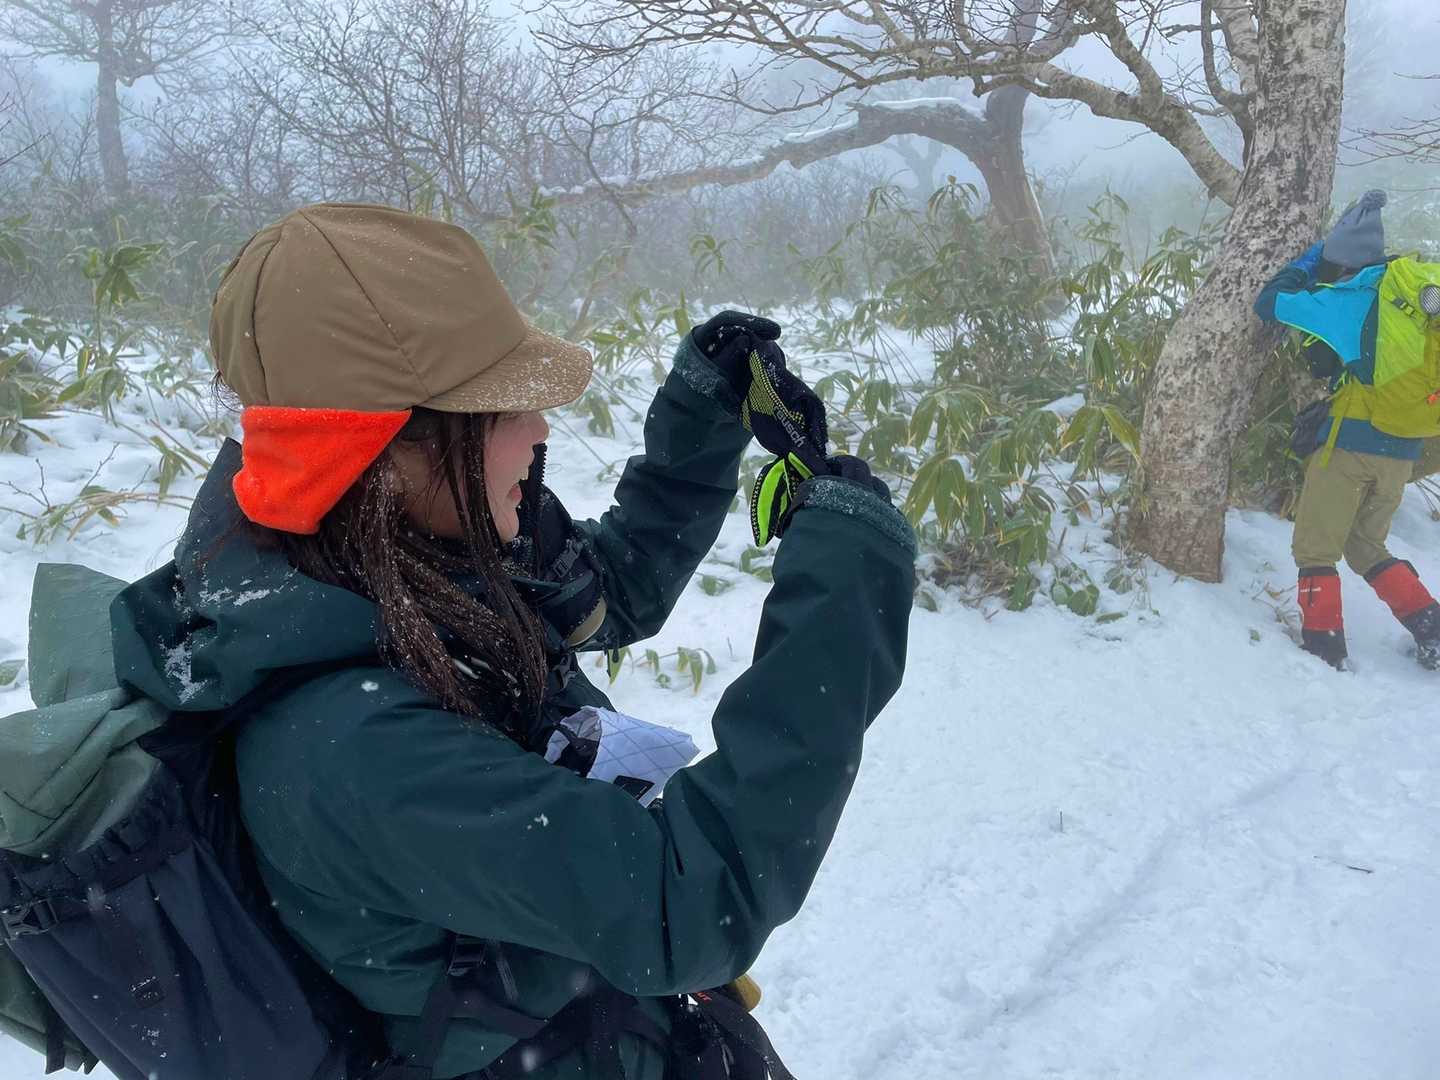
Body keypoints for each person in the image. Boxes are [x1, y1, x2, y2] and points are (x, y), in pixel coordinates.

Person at [103, 203, 916, 1077]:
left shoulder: (377, 552)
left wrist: (702, 420)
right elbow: (688, 902)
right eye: (503, 409)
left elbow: (606, 594)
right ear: (387, 450)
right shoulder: (354, 750)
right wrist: (848, 588)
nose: (540, 430)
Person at [1254, 190, 1440, 670]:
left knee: (1315, 548)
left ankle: (1324, 650)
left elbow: (1269, 301)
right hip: (1405, 447)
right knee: (1365, 544)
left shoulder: (1345, 302)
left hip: (1350, 446)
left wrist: (1310, 260)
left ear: (1339, 261)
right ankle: (1433, 630)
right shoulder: (1408, 292)